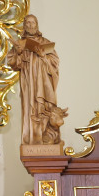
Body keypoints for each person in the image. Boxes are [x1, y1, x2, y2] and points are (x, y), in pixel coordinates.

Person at [8, 13, 64, 147]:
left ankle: (47, 137)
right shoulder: (21, 43)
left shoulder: (45, 42)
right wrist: (19, 53)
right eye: (27, 23)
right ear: (24, 25)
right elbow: (13, 63)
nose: (30, 25)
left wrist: (43, 57)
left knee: (45, 109)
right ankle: (33, 139)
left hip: (44, 84)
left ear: (36, 25)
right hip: (29, 84)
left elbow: (55, 63)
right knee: (30, 109)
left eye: (33, 23)